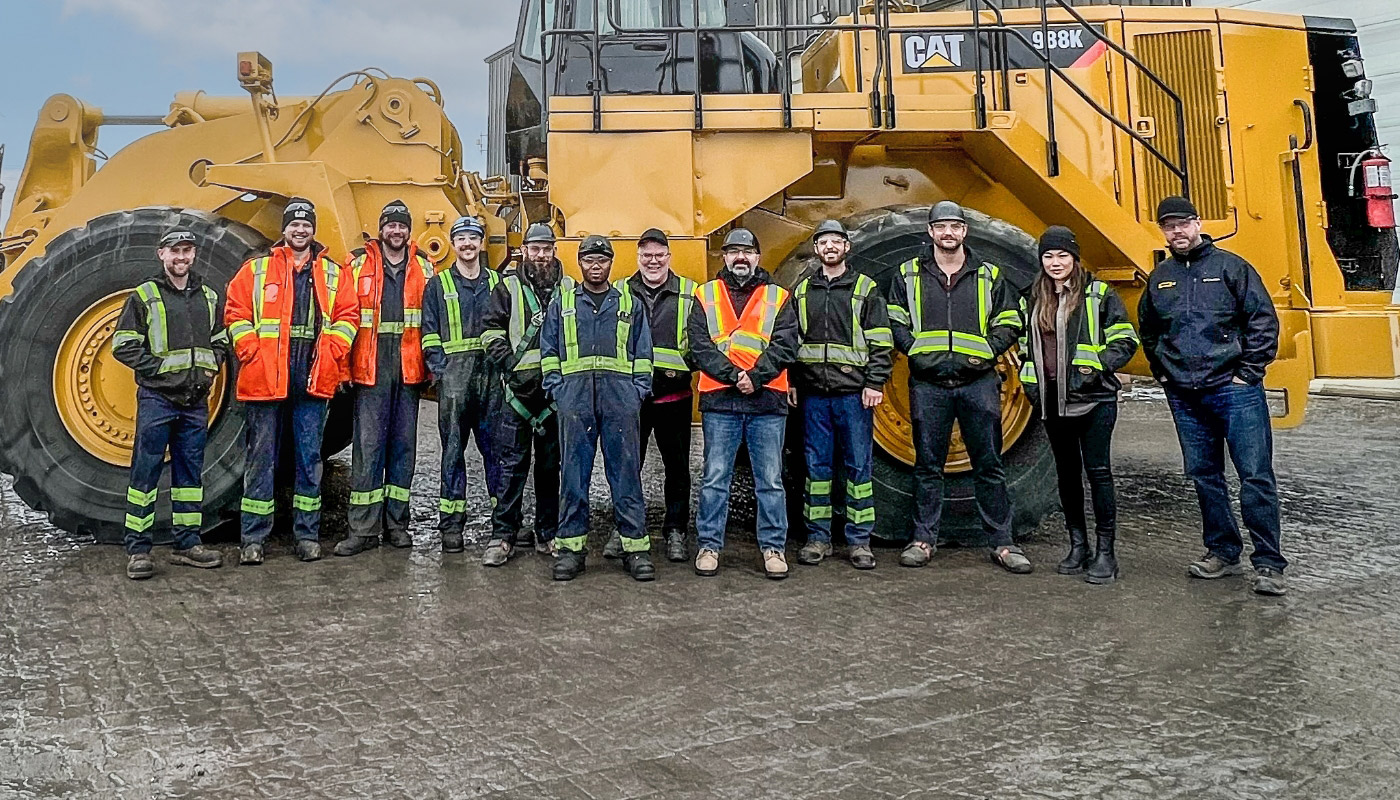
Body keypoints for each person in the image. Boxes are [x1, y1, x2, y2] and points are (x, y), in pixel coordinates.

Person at [1138, 196, 1287, 596]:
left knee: (1254, 476)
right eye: (1169, 226)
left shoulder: (1231, 268)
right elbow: (1149, 332)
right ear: (1162, 231)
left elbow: (1263, 321)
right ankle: (1222, 552)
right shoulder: (1161, 277)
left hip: (1234, 391)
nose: (1177, 232)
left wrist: (1248, 374)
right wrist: (1165, 376)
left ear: (1198, 224)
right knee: (1205, 476)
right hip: (1186, 395)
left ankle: (1269, 564)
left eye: (1183, 224)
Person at [887, 201, 1030, 574]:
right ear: (930, 232)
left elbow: (1010, 319)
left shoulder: (988, 275)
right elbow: (895, 320)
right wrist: (915, 353)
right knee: (927, 466)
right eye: (941, 227)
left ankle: (1002, 542)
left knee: (989, 465)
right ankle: (922, 540)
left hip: (977, 384)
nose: (948, 233)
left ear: (965, 231)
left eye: (954, 226)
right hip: (928, 385)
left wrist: (986, 352)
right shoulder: (908, 275)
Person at [225, 198, 359, 565]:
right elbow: (235, 311)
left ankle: (307, 535)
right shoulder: (257, 269)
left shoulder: (333, 273)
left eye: (306, 225)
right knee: (261, 458)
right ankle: (253, 539)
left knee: (308, 458)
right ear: (284, 230)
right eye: (294, 225)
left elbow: (349, 316)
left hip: (312, 375)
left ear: (313, 230)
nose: (300, 230)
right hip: (266, 374)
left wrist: (332, 352)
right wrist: (249, 349)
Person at [1018, 226, 1139, 584]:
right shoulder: (1035, 297)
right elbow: (1027, 347)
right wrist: (1030, 384)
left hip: (1093, 400)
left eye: (1062, 256)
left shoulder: (1099, 294)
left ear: (1075, 258)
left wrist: (1097, 365)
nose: (1055, 263)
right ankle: (1078, 545)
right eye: (1049, 256)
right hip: (1053, 401)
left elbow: (1125, 338)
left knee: (1098, 473)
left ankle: (1106, 553)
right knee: (1067, 476)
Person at [112, 229, 228, 579]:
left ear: (194, 255)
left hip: (194, 401)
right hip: (158, 399)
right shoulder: (145, 295)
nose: (181, 258)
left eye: (187, 251)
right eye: (175, 251)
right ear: (161, 254)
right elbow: (123, 344)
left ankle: (187, 544)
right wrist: (159, 370)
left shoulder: (208, 295)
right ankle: (138, 549)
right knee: (145, 473)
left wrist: (210, 368)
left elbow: (222, 339)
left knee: (189, 476)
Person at [541, 235, 655, 581]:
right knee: (574, 477)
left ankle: (635, 550)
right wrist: (557, 391)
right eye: (589, 260)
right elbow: (549, 351)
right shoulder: (563, 303)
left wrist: (637, 392)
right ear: (580, 263)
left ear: (610, 263)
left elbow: (643, 352)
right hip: (574, 401)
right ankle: (571, 551)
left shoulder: (628, 303)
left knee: (625, 476)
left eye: (602, 260)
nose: (595, 266)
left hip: (620, 400)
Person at [687, 228, 800, 579]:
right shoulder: (704, 295)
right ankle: (709, 546)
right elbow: (699, 345)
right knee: (715, 478)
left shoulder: (779, 297)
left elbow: (786, 344)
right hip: (722, 401)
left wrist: (757, 376)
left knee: (770, 480)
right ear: (724, 256)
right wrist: (736, 376)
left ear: (757, 257)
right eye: (734, 251)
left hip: (766, 402)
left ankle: (773, 549)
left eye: (747, 251)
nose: (741, 258)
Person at [335, 200, 437, 556]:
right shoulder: (357, 264)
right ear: (381, 229)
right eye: (390, 225)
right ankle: (362, 530)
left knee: (402, 450)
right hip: (371, 370)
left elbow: (432, 321)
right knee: (368, 450)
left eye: (402, 226)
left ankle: (397, 525)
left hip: (408, 371)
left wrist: (430, 369)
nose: (396, 231)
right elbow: (344, 318)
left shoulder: (425, 267)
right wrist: (343, 368)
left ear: (409, 230)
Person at [790, 220, 894, 570]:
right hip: (814, 395)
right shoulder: (803, 292)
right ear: (816, 249)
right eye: (824, 242)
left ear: (846, 247)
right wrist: (791, 380)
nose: (830, 247)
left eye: (836, 242)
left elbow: (881, 340)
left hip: (853, 395)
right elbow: (791, 341)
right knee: (816, 467)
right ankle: (818, 538)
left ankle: (859, 541)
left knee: (857, 468)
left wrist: (875, 383)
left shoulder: (866, 290)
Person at [480, 223, 573, 565]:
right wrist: (505, 362)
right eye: (534, 249)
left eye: (546, 248)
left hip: (553, 397)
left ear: (554, 250)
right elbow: (490, 330)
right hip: (517, 395)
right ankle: (503, 536)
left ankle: (547, 535)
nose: (540, 255)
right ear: (525, 251)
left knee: (550, 470)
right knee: (511, 469)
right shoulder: (507, 287)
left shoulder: (569, 288)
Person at [602, 228, 697, 564]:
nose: (653, 261)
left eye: (659, 255)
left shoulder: (689, 292)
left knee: (677, 468)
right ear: (638, 258)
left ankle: (675, 530)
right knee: (627, 467)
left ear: (668, 257)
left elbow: (701, 341)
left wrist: (684, 369)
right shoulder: (620, 292)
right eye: (646, 256)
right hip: (631, 400)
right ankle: (624, 527)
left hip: (675, 398)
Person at [422, 216, 502, 553]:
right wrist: (440, 371)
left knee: (497, 454)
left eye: (473, 238)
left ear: (482, 243)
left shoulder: (499, 283)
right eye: (461, 239)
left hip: (490, 379)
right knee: (452, 454)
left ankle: (504, 524)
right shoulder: (438, 286)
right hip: (454, 381)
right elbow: (428, 333)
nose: (467, 245)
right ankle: (452, 526)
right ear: (452, 245)